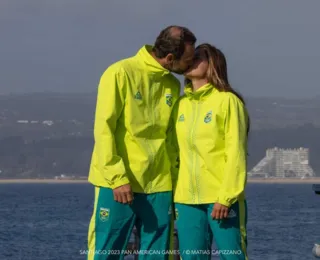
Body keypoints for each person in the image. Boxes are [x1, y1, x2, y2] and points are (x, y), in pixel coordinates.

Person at [87, 25, 196, 260]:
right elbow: (103, 129)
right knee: (106, 252)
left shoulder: (172, 85)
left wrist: (174, 182)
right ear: (169, 58)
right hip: (117, 184)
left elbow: (169, 139)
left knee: (157, 254)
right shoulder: (119, 73)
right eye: (187, 60)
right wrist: (116, 178)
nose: (191, 65)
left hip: (159, 185)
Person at [167, 43, 250, 260]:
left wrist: (226, 197)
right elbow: (174, 153)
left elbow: (236, 153)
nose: (191, 60)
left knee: (233, 256)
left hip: (220, 198)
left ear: (213, 63)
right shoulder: (180, 105)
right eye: (189, 57)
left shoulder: (228, 101)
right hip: (185, 200)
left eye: (197, 57)